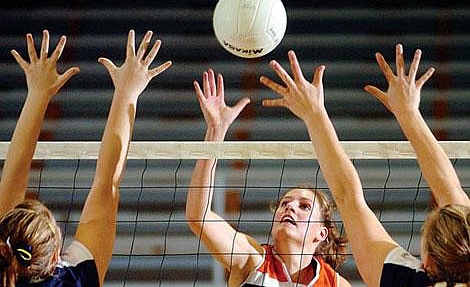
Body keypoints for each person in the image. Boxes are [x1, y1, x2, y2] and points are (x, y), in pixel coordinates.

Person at [260, 47, 470, 286]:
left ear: (428, 263)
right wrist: (409, 114)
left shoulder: (405, 281)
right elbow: (453, 199)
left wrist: (314, 113)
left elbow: (348, 197)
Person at [0, 29, 172, 286]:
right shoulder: (75, 279)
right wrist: (127, 92)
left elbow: (15, 171)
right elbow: (106, 185)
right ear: (56, 256)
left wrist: (37, 94)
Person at [185, 69, 350, 286]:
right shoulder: (251, 259)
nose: (289, 208)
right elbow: (199, 217)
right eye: (285, 203)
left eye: (304, 207)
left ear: (321, 233)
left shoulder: (335, 283)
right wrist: (215, 132)